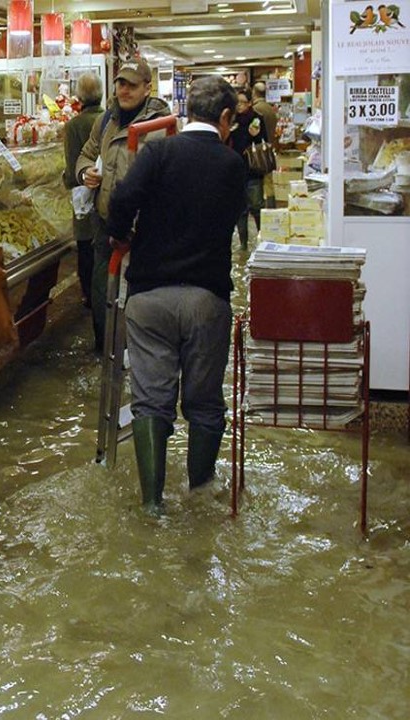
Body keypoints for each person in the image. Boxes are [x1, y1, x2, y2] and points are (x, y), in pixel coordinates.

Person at [105, 75, 246, 514]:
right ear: (225, 118)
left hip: (149, 298)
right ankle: (200, 494)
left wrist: (120, 235)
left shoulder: (159, 152)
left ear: (187, 113)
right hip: (206, 298)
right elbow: (234, 219)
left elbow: (121, 198)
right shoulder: (231, 165)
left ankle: (152, 505)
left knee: (150, 401)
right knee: (204, 403)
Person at [74, 57, 171, 351]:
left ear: (147, 88)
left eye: (131, 85)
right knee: (102, 290)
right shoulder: (106, 121)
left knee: (142, 297)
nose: (124, 91)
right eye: (120, 84)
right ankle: (106, 354)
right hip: (106, 224)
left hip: (145, 229)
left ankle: (139, 354)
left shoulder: (161, 126)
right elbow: (86, 154)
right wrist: (85, 172)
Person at [63, 72, 105, 309]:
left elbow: (72, 171)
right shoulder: (110, 120)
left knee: (87, 255)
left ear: (79, 96)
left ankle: (90, 299)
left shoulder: (74, 125)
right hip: (106, 200)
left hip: (84, 200)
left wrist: (66, 181)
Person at [230, 88, 268, 250]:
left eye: (243, 103)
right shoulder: (231, 120)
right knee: (240, 210)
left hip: (253, 169)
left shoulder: (256, 119)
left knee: (256, 206)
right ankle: (243, 244)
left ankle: (261, 239)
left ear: (250, 103)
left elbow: (264, 141)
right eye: (237, 103)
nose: (239, 106)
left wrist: (255, 135)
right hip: (236, 170)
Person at [251, 81, 278, 208]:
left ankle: (261, 207)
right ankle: (271, 207)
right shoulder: (270, 109)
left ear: (254, 93)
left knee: (257, 182)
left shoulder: (256, 110)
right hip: (269, 148)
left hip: (258, 151)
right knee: (269, 182)